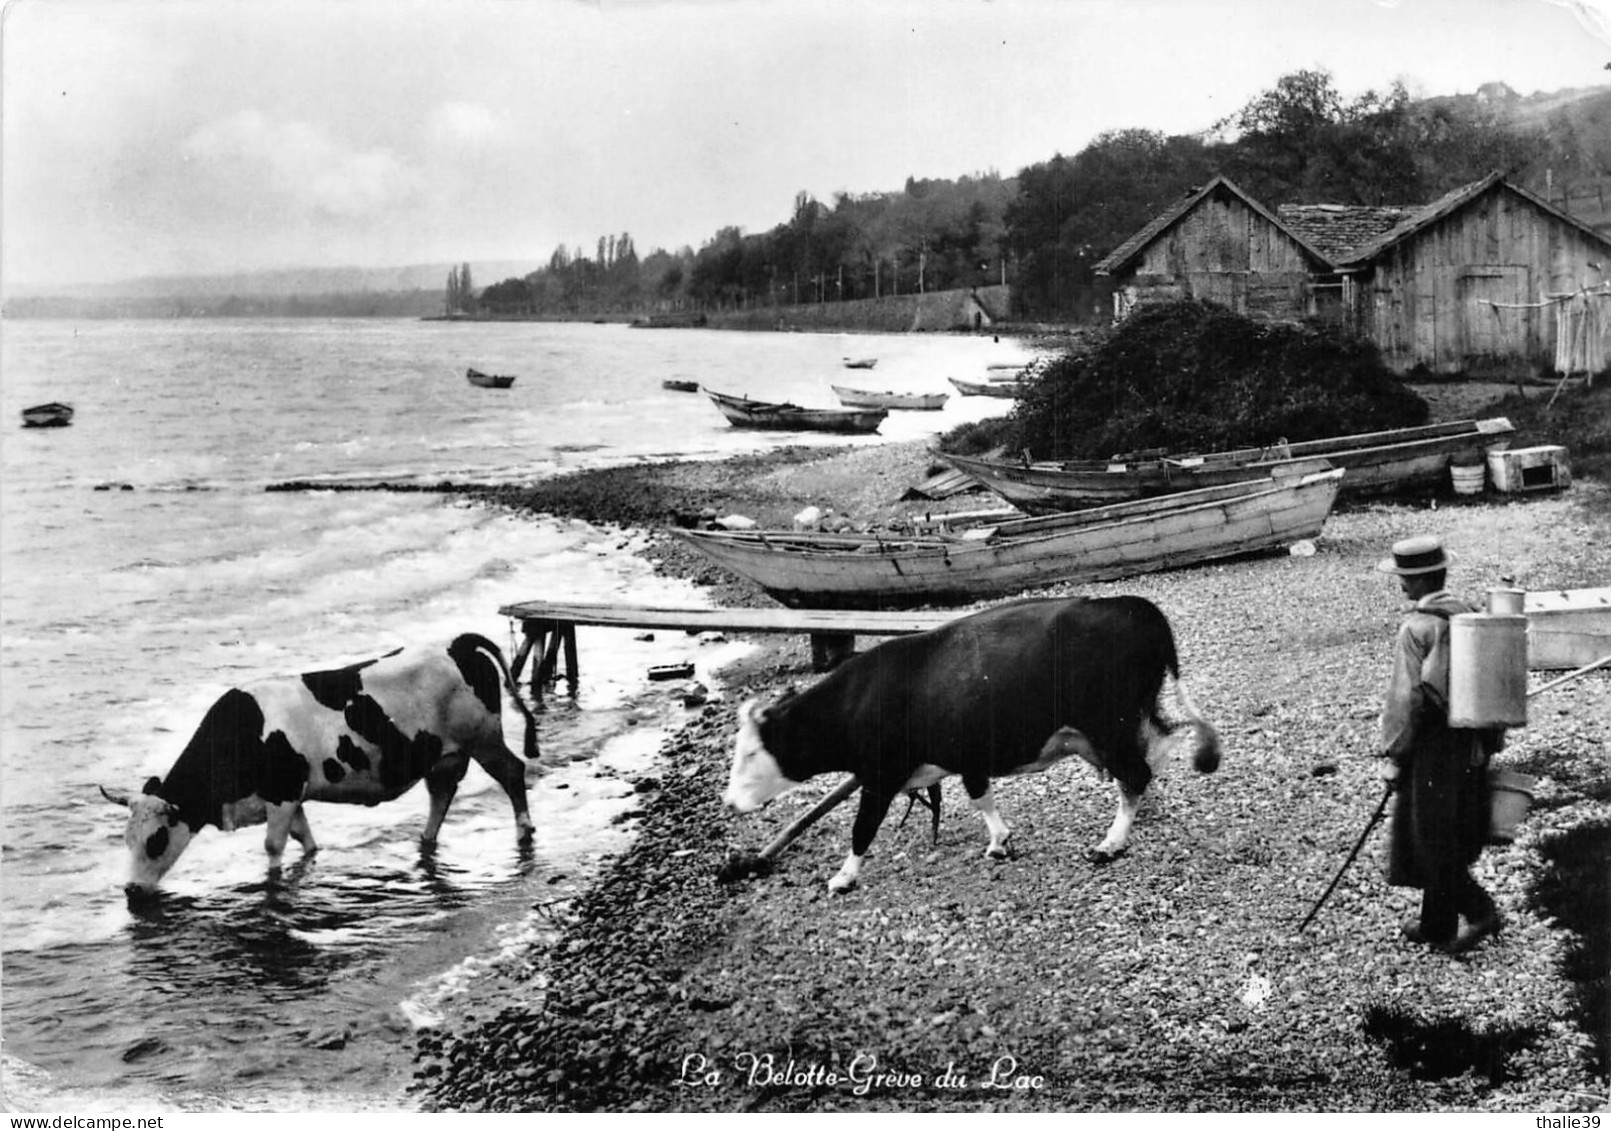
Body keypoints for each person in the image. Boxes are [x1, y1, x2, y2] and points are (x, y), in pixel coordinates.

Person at [1376, 534, 1504, 955]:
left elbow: (1405, 700)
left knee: (1430, 837)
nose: (1401, 586)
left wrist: (1395, 755)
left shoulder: (1417, 629)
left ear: (1420, 580)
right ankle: (1436, 923)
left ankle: (1481, 910)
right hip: (1474, 741)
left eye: (1405, 579)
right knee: (1448, 828)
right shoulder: (1470, 615)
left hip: (1433, 747)